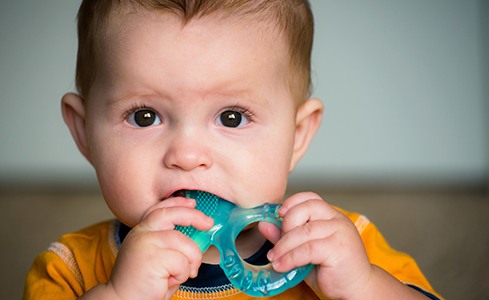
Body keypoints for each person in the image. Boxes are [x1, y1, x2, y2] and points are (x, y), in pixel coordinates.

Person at [24, 0, 442, 299]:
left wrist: (363, 286)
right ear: (84, 132)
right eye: (145, 117)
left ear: (297, 136)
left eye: (231, 118)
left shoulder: (340, 247)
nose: (188, 156)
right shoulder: (72, 268)